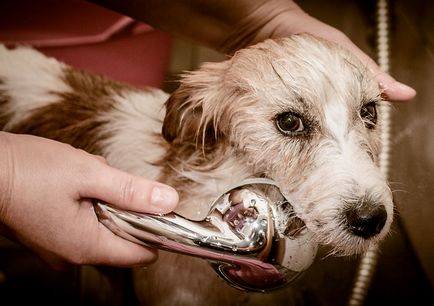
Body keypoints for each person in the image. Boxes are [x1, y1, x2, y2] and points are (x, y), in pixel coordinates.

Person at [0, 0, 416, 270]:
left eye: (366, 112)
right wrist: (10, 181)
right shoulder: (200, 109)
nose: (365, 194)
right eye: (290, 123)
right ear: (194, 114)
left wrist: (267, 17)